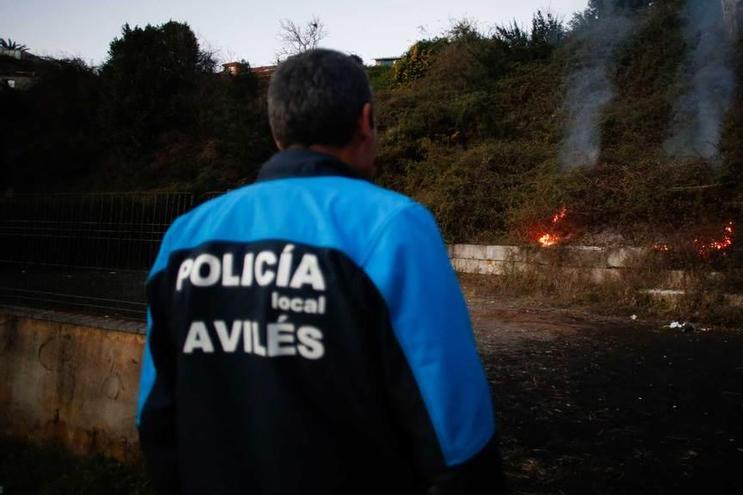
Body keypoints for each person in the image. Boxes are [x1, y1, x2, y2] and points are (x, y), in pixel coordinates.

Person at [136, 48, 504, 494]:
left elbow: (155, 418)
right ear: (366, 121)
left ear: (277, 133)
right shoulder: (392, 227)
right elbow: (457, 439)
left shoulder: (185, 237)